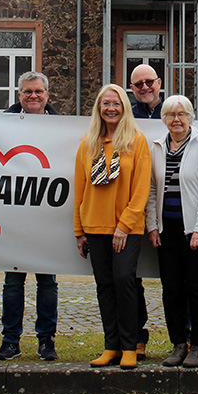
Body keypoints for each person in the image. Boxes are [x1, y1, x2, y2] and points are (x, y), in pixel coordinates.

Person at [74, 84, 151, 370]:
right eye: (106, 103)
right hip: (95, 225)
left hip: (126, 228)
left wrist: (125, 225)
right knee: (104, 285)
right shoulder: (88, 144)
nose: (111, 109)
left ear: (124, 108)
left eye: (116, 104)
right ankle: (111, 345)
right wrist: (79, 230)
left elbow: (142, 189)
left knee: (124, 280)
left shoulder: (136, 141)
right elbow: (80, 189)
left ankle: (130, 346)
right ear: (99, 108)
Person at [145, 95, 198, 368]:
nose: (176, 119)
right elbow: (152, 189)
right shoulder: (157, 147)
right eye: (170, 115)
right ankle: (178, 343)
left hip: (194, 231)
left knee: (196, 288)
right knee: (171, 289)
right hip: (167, 230)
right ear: (164, 119)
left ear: (190, 118)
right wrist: (152, 225)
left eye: (181, 114)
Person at [0, 72, 60, 362]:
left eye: (38, 91)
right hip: (15, 217)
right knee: (13, 282)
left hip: (48, 218)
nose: (33, 96)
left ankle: (46, 340)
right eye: (27, 91)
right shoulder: (2, 124)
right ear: (19, 94)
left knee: (48, 283)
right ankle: (10, 341)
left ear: (47, 95)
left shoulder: (63, 127)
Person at [129, 63, 163, 359]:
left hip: (168, 207)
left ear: (159, 82)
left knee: (176, 277)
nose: (144, 88)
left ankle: (183, 336)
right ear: (131, 89)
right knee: (132, 277)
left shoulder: (174, 112)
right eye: (138, 84)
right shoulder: (125, 117)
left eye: (148, 82)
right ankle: (136, 337)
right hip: (132, 206)